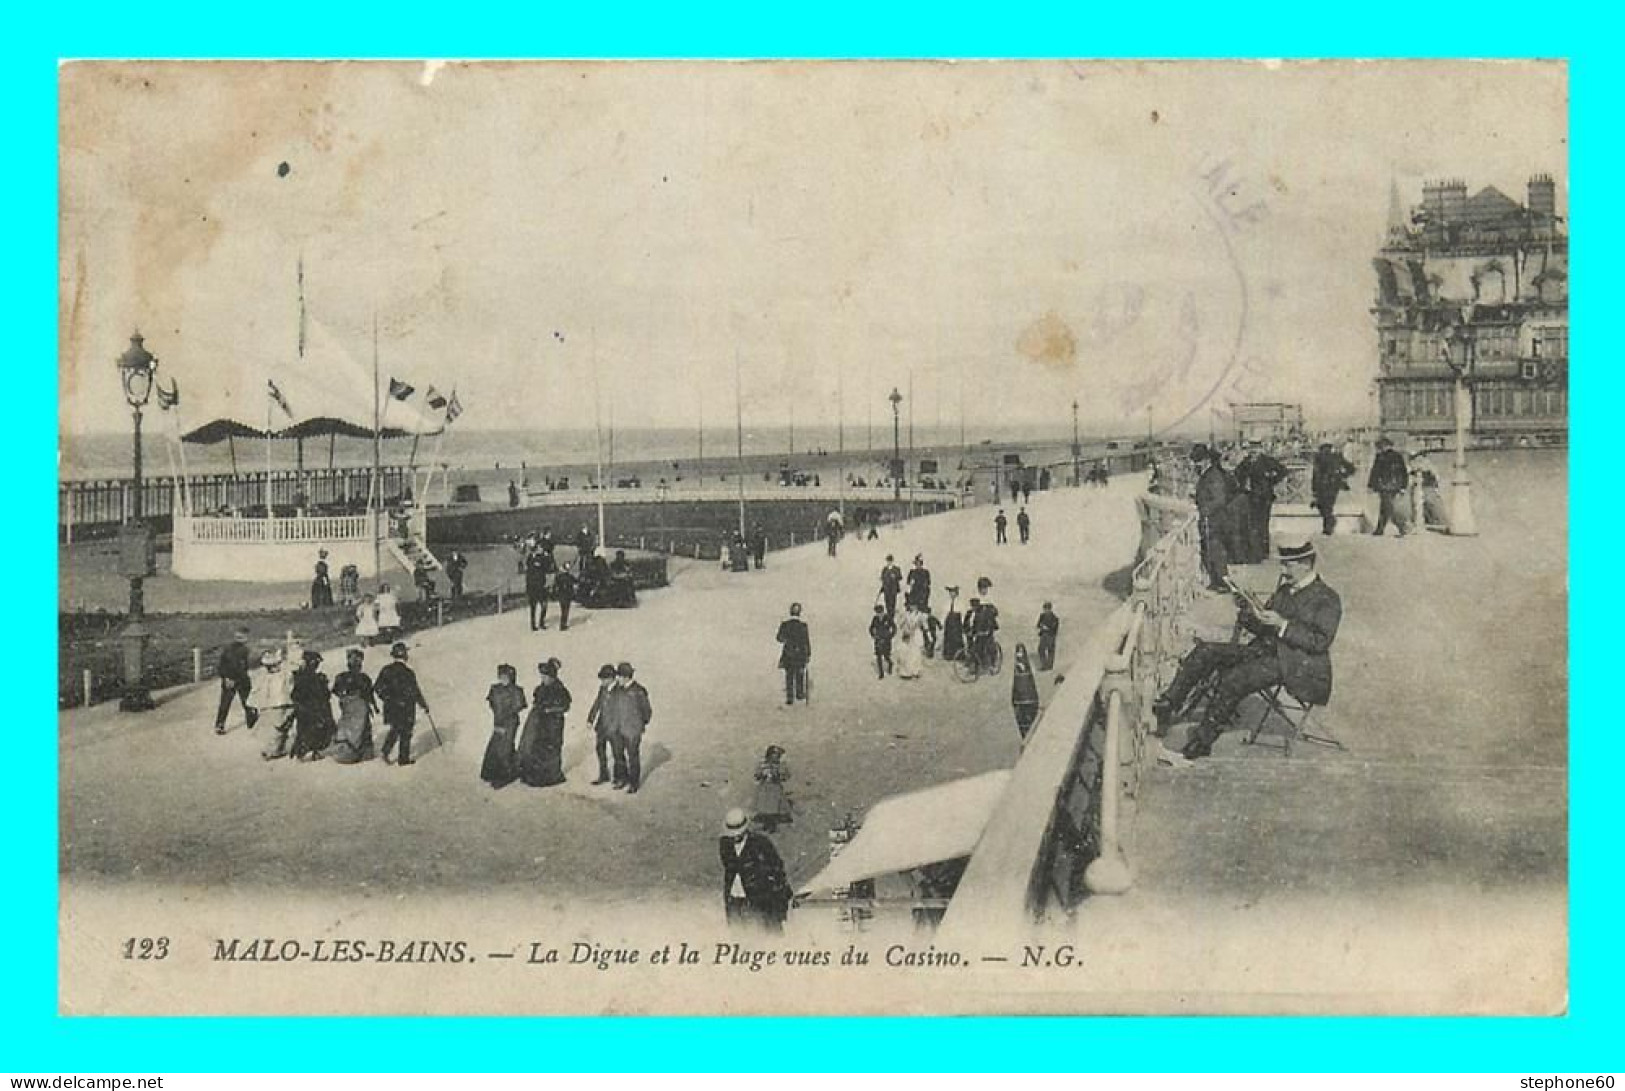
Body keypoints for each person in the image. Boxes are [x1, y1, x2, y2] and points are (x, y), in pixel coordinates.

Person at [1155, 541, 1342, 763]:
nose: (1283, 571)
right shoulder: (1285, 590)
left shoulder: (1327, 598)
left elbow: (1319, 642)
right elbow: (1263, 628)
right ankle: (1168, 704)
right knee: (1206, 650)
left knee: (1235, 678)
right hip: (1266, 651)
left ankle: (1202, 741)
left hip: (1298, 664)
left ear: (1304, 565)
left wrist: (1283, 624)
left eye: (1288, 566)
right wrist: (1247, 610)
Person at [719, 808, 792, 932]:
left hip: (757, 901)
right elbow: (729, 869)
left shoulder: (761, 843)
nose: (735, 836)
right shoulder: (724, 844)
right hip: (734, 902)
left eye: (738, 833)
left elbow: (776, 869)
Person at [517, 658, 571, 788]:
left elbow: (565, 706)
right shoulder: (540, 689)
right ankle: (535, 775)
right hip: (540, 723)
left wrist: (550, 710)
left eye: (546, 676)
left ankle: (551, 776)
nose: (543, 679)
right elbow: (536, 702)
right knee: (536, 747)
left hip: (553, 724)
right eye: (542, 676)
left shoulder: (560, 689)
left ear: (552, 677)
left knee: (551, 748)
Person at [375, 642, 430, 767]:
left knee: (395, 729)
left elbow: (378, 687)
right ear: (405, 656)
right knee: (406, 732)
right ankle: (403, 758)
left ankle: (385, 752)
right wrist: (423, 705)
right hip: (407, 707)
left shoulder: (386, 670)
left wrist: (387, 698)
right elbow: (415, 691)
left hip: (392, 707)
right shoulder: (408, 672)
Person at [602, 662, 653, 793]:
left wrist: (639, 725)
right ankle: (621, 779)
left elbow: (646, 711)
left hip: (632, 731)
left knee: (633, 757)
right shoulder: (617, 690)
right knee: (618, 755)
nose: (617, 679)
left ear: (626, 677)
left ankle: (633, 783)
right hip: (617, 729)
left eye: (619, 676)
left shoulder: (638, 691)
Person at [1234, 442, 1288, 562]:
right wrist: (1243, 484)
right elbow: (1237, 473)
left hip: (1264, 497)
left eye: (1256, 448)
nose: (1253, 450)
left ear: (1260, 449)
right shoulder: (1246, 462)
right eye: (1251, 448)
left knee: (1263, 525)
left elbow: (1283, 471)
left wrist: (1271, 481)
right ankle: (1253, 552)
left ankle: (1264, 552)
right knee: (1251, 525)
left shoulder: (1267, 461)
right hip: (1250, 497)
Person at [1192, 444, 1235, 592]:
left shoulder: (1213, 475)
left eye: (1198, 461)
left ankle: (1222, 582)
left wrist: (1204, 510)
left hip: (1215, 519)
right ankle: (1215, 581)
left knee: (1216, 550)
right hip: (1210, 519)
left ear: (1206, 460)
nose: (1195, 464)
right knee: (1209, 550)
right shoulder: (1208, 475)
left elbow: (1219, 499)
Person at [327, 648, 378, 764]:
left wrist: (345, 697)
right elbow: (369, 693)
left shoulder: (342, 677)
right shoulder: (362, 677)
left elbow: (335, 691)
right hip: (358, 708)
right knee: (362, 728)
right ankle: (359, 752)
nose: (357, 663)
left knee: (350, 727)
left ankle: (350, 750)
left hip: (350, 708)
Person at [481, 663, 525, 789]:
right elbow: (492, 703)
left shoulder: (516, 691)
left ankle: (504, 774)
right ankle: (493, 772)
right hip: (498, 721)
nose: (503, 679)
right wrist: (497, 716)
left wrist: (505, 719)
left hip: (510, 722)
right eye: (501, 677)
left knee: (505, 746)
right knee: (496, 744)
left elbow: (517, 706)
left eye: (506, 677)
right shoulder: (495, 689)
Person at [289, 650, 335, 761]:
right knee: (316, 729)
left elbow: (295, 695)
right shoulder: (314, 678)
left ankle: (303, 751)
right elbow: (325, 695)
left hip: (304, 710)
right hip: (313, 709)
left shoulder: (299, 676)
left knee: (304, 731)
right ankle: (311, 751)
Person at [213, 627, 258, 735]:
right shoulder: (240, 650)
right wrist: (230, 678)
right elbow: (234, 666)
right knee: (246, 701)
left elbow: (221, 665)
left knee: (226, 702)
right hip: (237, 678)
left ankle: (220, 724)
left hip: (234, 678)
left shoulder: (229, 648)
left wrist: (225, 677)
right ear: (243, 637)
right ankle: (251, 721)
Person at [258, 647, 297, 760]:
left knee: (283, 726)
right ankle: (272, 750)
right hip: (279, 704)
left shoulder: (275, 676)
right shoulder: (276, 677)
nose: (277, 667)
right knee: (279, 728)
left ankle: (279, 747)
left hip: (281, 704)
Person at [1310, 442, 1356, 536]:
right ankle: (1330, 522)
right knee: (1324, 506)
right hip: (1328, 485)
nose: (1325, 451)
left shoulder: (1335, 457)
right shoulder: (1320, 458)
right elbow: (1315, 474)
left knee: (1326, 506)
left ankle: (1328, 527)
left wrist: (1341, 475)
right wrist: (1342, 475)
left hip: (1329, 485)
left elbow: (1351, 468)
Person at [1368, 437, 1411, 537]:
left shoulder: (1380, 457)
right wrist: (1403, 486)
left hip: (1384, 486)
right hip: (1395, 485)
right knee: (1385, 507)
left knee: (1388, 508)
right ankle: (1380, 529)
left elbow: (1375, 472)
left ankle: (1402, 527)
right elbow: (1404, 472)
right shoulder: (1397, 456)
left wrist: (1371, 485)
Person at [586, 664, 618, 785]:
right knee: (600, 750)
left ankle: (619, 777)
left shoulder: (619, 690)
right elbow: (597, 704)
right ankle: (603, 775)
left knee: (616, 752)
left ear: (611, 678)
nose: (602, 681)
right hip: (601, 727)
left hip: (614, 727)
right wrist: (590, 719)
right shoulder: (602, 689)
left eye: (604, 679)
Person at [775, 603, 811, 706]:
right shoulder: (803, 626)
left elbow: (779, 638)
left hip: (788, 653)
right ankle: (799, 694)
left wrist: (786, 639)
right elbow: (806, 642)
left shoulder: (785, 625)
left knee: (789, 675)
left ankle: (790, 697)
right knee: (799, 673)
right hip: (800, 653)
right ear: (800, 613)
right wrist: (808, 654)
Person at [751, 747, 793, 833]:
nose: (775, 758)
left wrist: (778, 775)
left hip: (775, 789)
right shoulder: (763, 765)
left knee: (774, 806)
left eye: (777, 756)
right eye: (772, 756)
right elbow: (756, 775)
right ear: (768, 756)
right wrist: (762, 774)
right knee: (765, 806)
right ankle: (767, 823)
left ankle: (772, 825)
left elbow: (786, 776)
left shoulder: (781, 766)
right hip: (764, 788)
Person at [1011, 643, 1040, 741]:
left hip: (1024, 702)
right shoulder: (1024, 672)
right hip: (1026, 701)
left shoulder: (1019, 671)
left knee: (1025, 726)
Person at [525, 545, 554, 630]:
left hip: (541, 586)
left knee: (544, 605)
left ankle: (541, 622)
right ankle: (533, 625)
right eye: (540, 549)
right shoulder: (530, 559)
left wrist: (547, 556)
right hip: (533, 587)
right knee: (533, 607)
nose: (541, 550)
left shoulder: (543, 558)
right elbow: (528, 572)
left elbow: (549, 567)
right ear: (536, 550)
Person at [895, 604, 926, 680]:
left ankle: (916, 671)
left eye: (914, 605)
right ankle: (907, 672)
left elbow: (924, 626)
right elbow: (900, 624)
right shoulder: (906, 614)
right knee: (907, 653)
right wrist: (904, 626)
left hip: (916, 635)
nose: (912, 607)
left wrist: (919, 625)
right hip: (908, 634)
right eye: (911, 605)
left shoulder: (920, 615)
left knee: (916, 653)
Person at [868, 605, 896, 679]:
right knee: (879, 656)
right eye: (877, 613)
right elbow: (871, 627)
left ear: (883, 612)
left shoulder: (888, 618)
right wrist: (873, 635)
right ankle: (881, 673)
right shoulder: (875, 619)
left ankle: (890, 664)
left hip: (886, 640)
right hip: (878, 639)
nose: (879, 614)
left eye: (880, 613)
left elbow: (894, 627)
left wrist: (891, 636)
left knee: (886, 656)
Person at [940, 586, 965, 662]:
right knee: (948, 638)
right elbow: (944, 613)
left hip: (957, 623)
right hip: (949, 623)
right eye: (950, 592)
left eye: (953, 592)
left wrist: (963, 624)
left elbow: (963, 614)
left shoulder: (960, 603)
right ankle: (949, 655)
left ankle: (959, 655)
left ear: (957, 593)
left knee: (957, 638)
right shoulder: (947, 603)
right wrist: (941, 622)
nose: (952, 594)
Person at [1036, 602, 1060, 671]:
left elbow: (1054, 629)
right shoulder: (1042, 616)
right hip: (1044, 635)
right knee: (1041, 649)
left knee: (1050, 650)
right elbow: (1038, 625)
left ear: (1050, 609)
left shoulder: (1055, 618)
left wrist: (1047, 628)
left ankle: (1049, 666)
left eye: (1047, 609)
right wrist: (1042, 626)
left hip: (1051, 636)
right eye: (1045, 609)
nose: (1046, 610)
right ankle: (1044, 665)